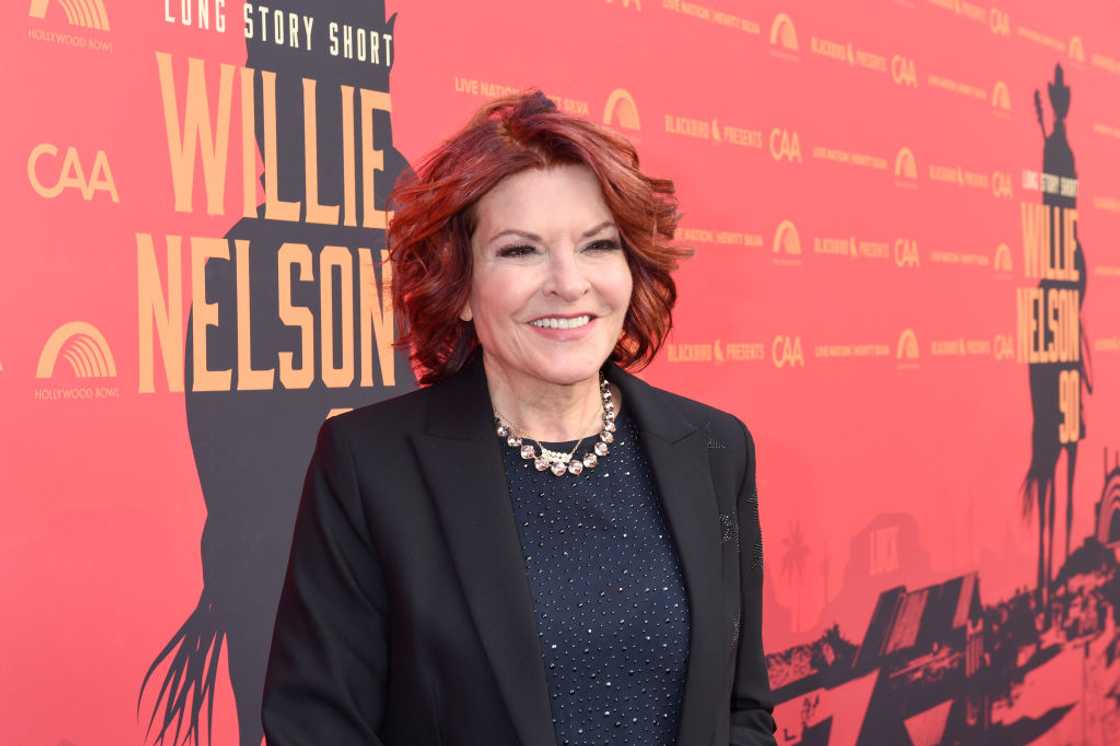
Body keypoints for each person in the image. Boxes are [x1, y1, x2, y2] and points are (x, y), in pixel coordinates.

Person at [261, 89, 777, 746]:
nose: (568, 283)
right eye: (520, 251)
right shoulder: (370, 465)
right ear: (460, 287)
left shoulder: (713, 449)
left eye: (597, 245)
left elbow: (741, 708)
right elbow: (317, 727)